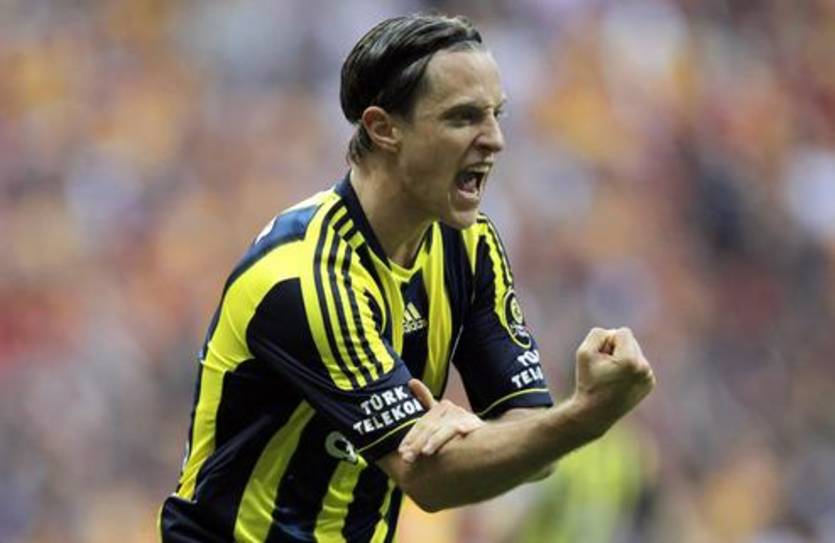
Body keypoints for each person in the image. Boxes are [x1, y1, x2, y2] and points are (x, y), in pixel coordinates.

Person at [159, 13, 655, 543]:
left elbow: (532, 439)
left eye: (497, 114)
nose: (495, 140)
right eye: (463, 118)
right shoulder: (307, 278)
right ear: (383, 128)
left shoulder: (470, 246)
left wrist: (476, 434)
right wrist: (587, 414)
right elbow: (431, 479)